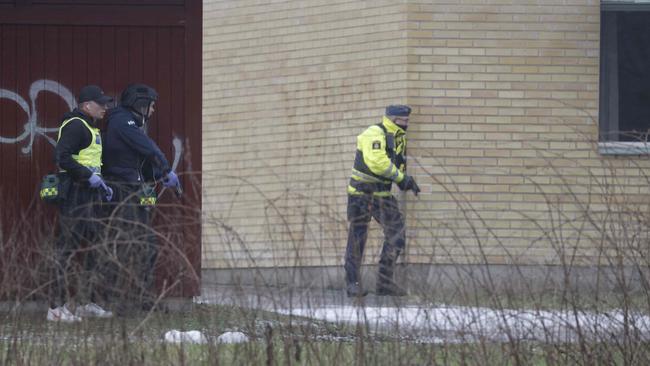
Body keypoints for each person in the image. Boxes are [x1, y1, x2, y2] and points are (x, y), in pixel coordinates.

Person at [102, 83, 181, 313]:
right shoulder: (121, 121)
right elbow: (148, 148)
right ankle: (122, 303)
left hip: (133, 191)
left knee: (146, 246)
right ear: (140, 104)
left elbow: (139, 165)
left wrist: (159, 176)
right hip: (122, 191)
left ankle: (145, 300)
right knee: (128, 246)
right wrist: (166, 169)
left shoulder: (128, 124)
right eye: (151, 106)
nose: (153, 111)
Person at [47, 85, 114, 322]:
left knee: (94, 249)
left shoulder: (90, 127)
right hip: (76, 194)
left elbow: (90, 161)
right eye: (101, 103)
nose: (105, 107)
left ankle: (87, 303)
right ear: (87, 105)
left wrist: (101, 184)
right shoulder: (76, 125)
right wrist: (88, 177)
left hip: (90, 195)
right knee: (66, 250)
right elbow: (61, 157)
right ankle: (55, 308)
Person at [344, 105, 420, 297]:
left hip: (382, 195)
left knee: (397, 234)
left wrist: (405, 180)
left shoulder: (398, 138)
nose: (407, 124)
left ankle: (384, 283)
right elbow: (377, 162)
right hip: (361, 193)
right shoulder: (374, 133)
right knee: (357, 238)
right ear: (394, 119)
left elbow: (395, 164)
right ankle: (352, 283)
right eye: (404, 121)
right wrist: (402, 179)